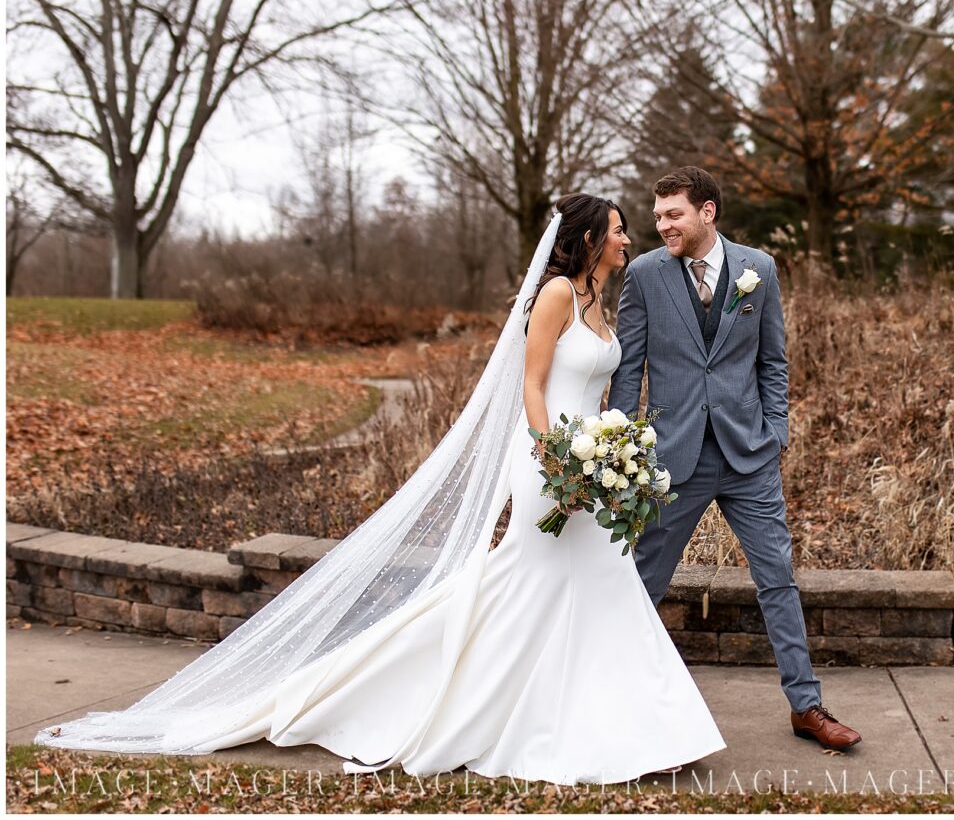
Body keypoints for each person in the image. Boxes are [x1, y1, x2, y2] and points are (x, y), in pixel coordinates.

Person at [33, 193, 725, 785]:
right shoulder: (552, 295)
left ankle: (634, 727)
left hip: (591, 461)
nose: (627, 238)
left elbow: (600, 385)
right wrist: (557, 461)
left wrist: (612, 450)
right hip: (549, 460)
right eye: (618, 229)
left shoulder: (601, 297)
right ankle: (473, 704)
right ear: (588, 239)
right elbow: (533, 386)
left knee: (591, 580)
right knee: (535, 580)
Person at [609, 166, 862, 751]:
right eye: (658, 215)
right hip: (672, 458)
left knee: (778, 580)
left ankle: (807, 706)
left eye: (673, 213)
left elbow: (773, 361)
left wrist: (777, 432)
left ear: (707, 213)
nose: (661, 224)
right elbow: (630, 370)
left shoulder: (759, 269)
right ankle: (619, 700)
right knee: (644, 581)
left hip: (749, 455)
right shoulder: (646, 276)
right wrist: (624, 452)